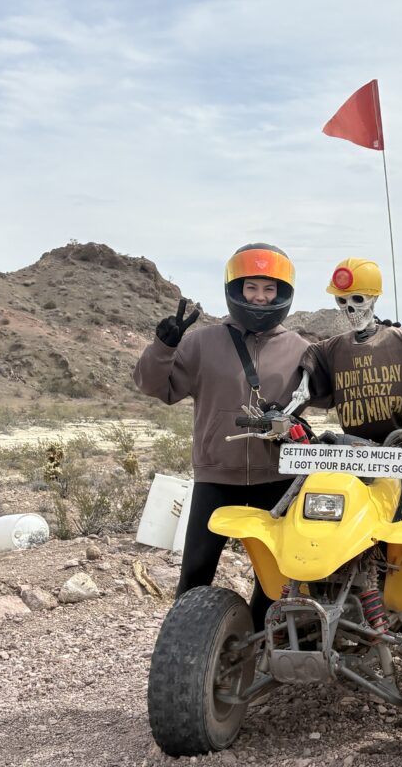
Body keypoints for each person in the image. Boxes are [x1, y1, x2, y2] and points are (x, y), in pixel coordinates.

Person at [133, 243, 310, 629]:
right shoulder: (200, 342)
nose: (260, 298)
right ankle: (184, 643)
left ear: (283, 293)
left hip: (277, 478)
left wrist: (382, 348)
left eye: (269, 289)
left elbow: (335, 391)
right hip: (217, 476)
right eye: (251, 288)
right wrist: (163, 346)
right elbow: (154, 386)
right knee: (196, 569)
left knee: (273, 575)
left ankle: (260, 647)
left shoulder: (302, 350)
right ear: (236, 289)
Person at [298, 258, 402, 517]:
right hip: (351, 449)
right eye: (342, 301)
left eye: (357, 299)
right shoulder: (329, 348)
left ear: (373, 299)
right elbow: (307, 377)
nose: (350, 310)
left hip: (401, 447)